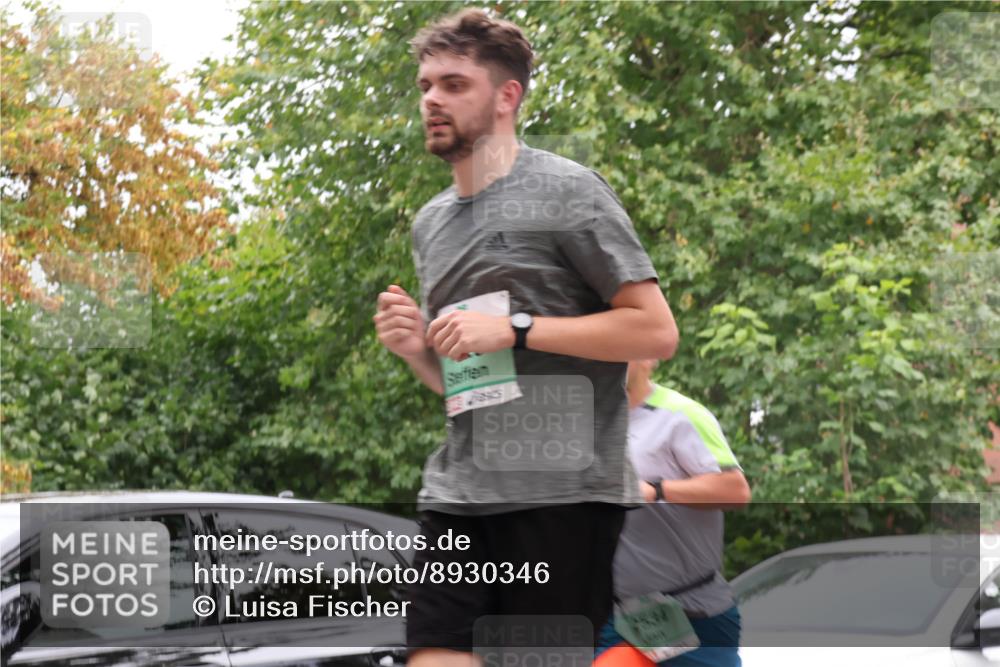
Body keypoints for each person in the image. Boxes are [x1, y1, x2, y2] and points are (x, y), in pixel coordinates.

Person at [372, 8, 679, 667]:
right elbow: (469, 382)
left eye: (454, 84)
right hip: (460, 492)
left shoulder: (568, 191)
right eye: (425, 84)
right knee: (432, 654)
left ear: (507, 95)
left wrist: (513, 327)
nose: (431, 98)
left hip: (563, 498)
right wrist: (417, 350)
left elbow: (655, 329)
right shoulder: (432, 223)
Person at [594, 359, 751, 667]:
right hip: (622, 614)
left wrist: (657, 490)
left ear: (650, 356)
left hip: (692, 610)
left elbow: (736, 491)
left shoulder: (680, 415)